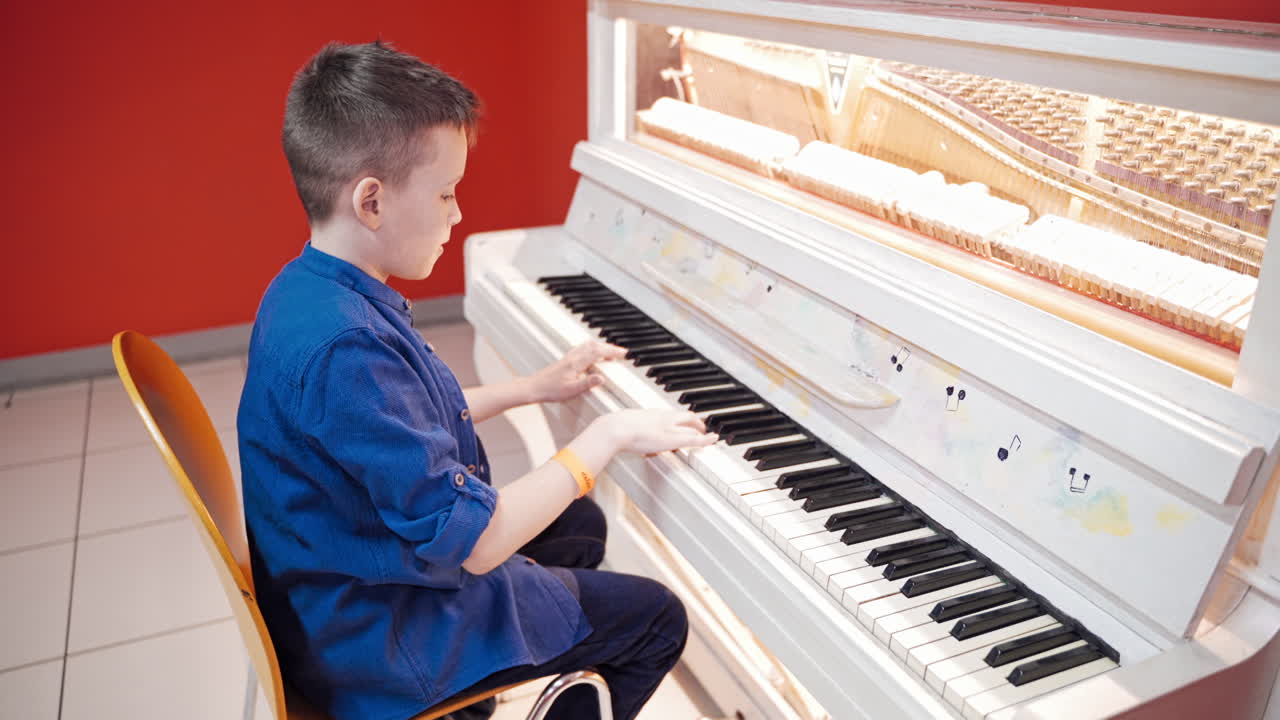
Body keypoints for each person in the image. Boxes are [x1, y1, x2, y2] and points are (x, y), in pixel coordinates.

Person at [236, 40, 718, 720]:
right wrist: (605, 437)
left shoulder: (307, 293)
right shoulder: (346, 345)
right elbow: (485, 541)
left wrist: (533, 388)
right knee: (656, 619)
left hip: (346, 595)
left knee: (577, 525)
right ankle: (470, 697)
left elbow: (395, 422)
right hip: (377, 641)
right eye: (444, 193)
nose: (458, 213)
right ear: (371, 201)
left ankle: (482, 699)